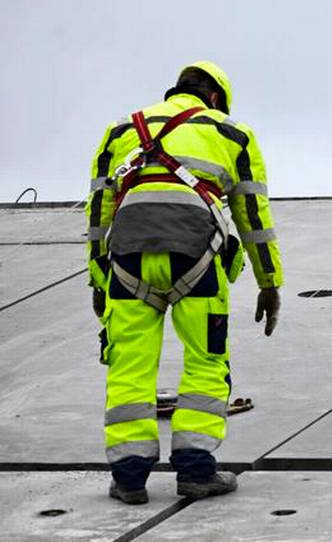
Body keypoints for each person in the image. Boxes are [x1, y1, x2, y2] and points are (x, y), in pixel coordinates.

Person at [85, 61, 283, 504]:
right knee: (206, 362)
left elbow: (99, 212)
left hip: (128, 263)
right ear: (215, 99)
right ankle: (196, 471)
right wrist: (269, 282)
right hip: (197, 262)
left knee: (129, 367)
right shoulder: (232, 133)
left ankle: (130, 479)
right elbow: (254, 218)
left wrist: (100, 279)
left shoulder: (121, 131)